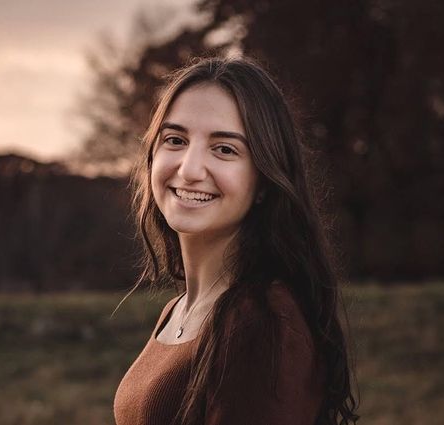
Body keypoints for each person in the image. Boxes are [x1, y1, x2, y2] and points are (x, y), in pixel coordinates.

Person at [113, 56, 360, 425]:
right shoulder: (179, 311)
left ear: (263, 179)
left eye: (224, 149)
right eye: (175, 140)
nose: (190, 169)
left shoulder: (263, 321)